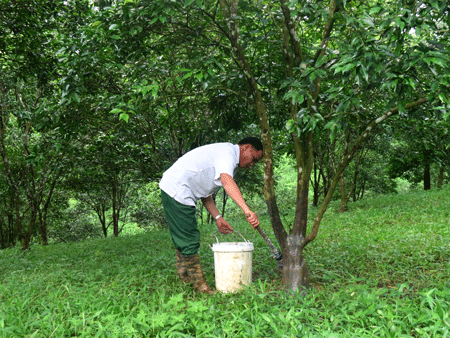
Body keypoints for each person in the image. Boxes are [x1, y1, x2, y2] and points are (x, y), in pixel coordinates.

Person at [159, 137, 263, 294]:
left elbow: (204, 192)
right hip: (177, 189)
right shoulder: (228, 153)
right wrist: (246, 210)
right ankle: (200, 286)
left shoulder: (227, 157)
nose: (252, 164)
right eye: (254, 158)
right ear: (246, 148)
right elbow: (227, 181)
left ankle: (185, 277)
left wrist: (218, 218)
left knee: (184, 235)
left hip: (180, 188)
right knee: (189, 238)